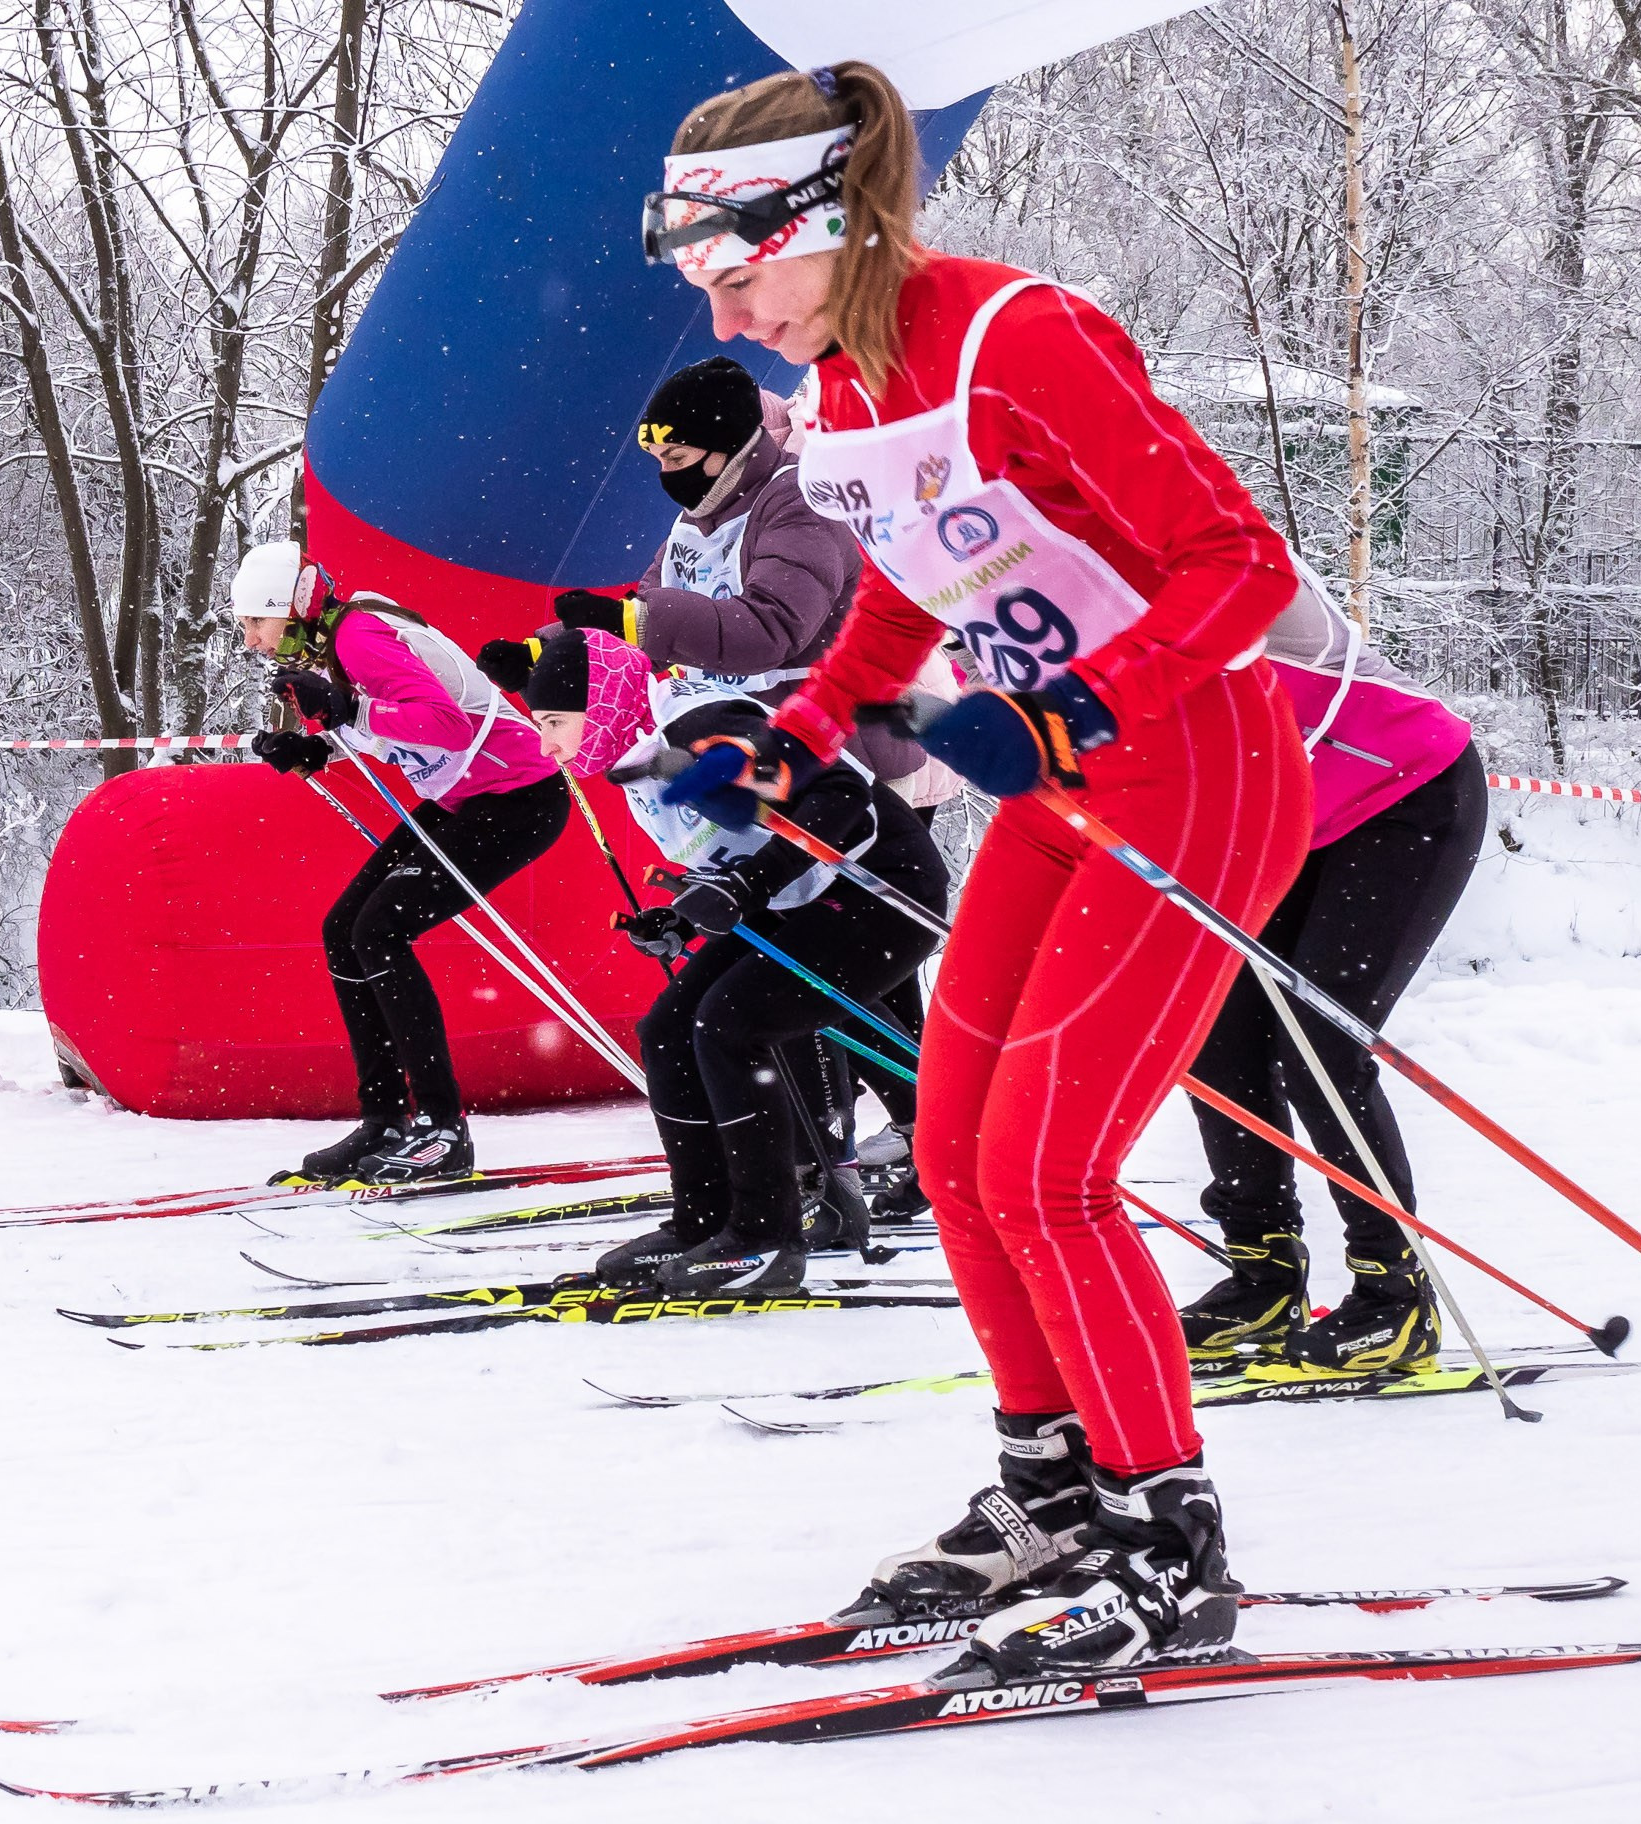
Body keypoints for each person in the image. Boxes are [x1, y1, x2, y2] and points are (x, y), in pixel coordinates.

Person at [649, 61, 1312, 1679]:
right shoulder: (856, 392)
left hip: (1194, 767)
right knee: (953, 1148)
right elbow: (899, 600)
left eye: (739, 274)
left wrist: (1078, 700)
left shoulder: (1017, 339)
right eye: (700, 288)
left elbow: (1247, 567)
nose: (731, 319)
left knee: (1050, 1172)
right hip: (1067, 781)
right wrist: (799, 733)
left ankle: (1169, 1546)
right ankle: (1050, 1494)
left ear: (825, 219)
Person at [546, 354, 919, 1237]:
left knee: (770, 1015)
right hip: (764, 788)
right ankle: (754, 1206)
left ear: (729, 444)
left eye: (680, 460)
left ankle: (819, 1191)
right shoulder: (695, 530)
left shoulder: (800, 500)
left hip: (835, 773)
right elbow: (639, 629)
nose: (666, 481)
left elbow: (769, 627)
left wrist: (640, 626)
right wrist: (552, 659)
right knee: (705, 1020)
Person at [482, 623, 942, 1293]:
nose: (547, 743)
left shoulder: (702, 727)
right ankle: (702, 1221)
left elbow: (836, 793)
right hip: (799, 900)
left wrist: (745, 887)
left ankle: (764, 1235)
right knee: (667, 1028)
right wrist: (684, 913)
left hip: (882, 894)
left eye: (555, 720)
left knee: (730, 1025)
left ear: (601, 701)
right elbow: (738, 842)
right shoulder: (635, 753)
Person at [1178, 613, 1486, 1377]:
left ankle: (1394, 1293)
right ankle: (1263, 1276)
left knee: (1317, 1044)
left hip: (1407, 791)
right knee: (1218, 1040)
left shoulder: (1193, 562)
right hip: (1297, 814)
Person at [235, 541, 569, 1187]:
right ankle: (384, 1122)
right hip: (467, 799)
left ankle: (442, 1130)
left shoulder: (358, 637)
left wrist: (349, 708)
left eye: (255, 621)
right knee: (344, 931)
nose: (250, 639)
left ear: (288, 609)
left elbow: (440, 722)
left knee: (379, 931)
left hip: (516, 800)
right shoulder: (339, 643)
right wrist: (315, 750)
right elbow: (385, 728)